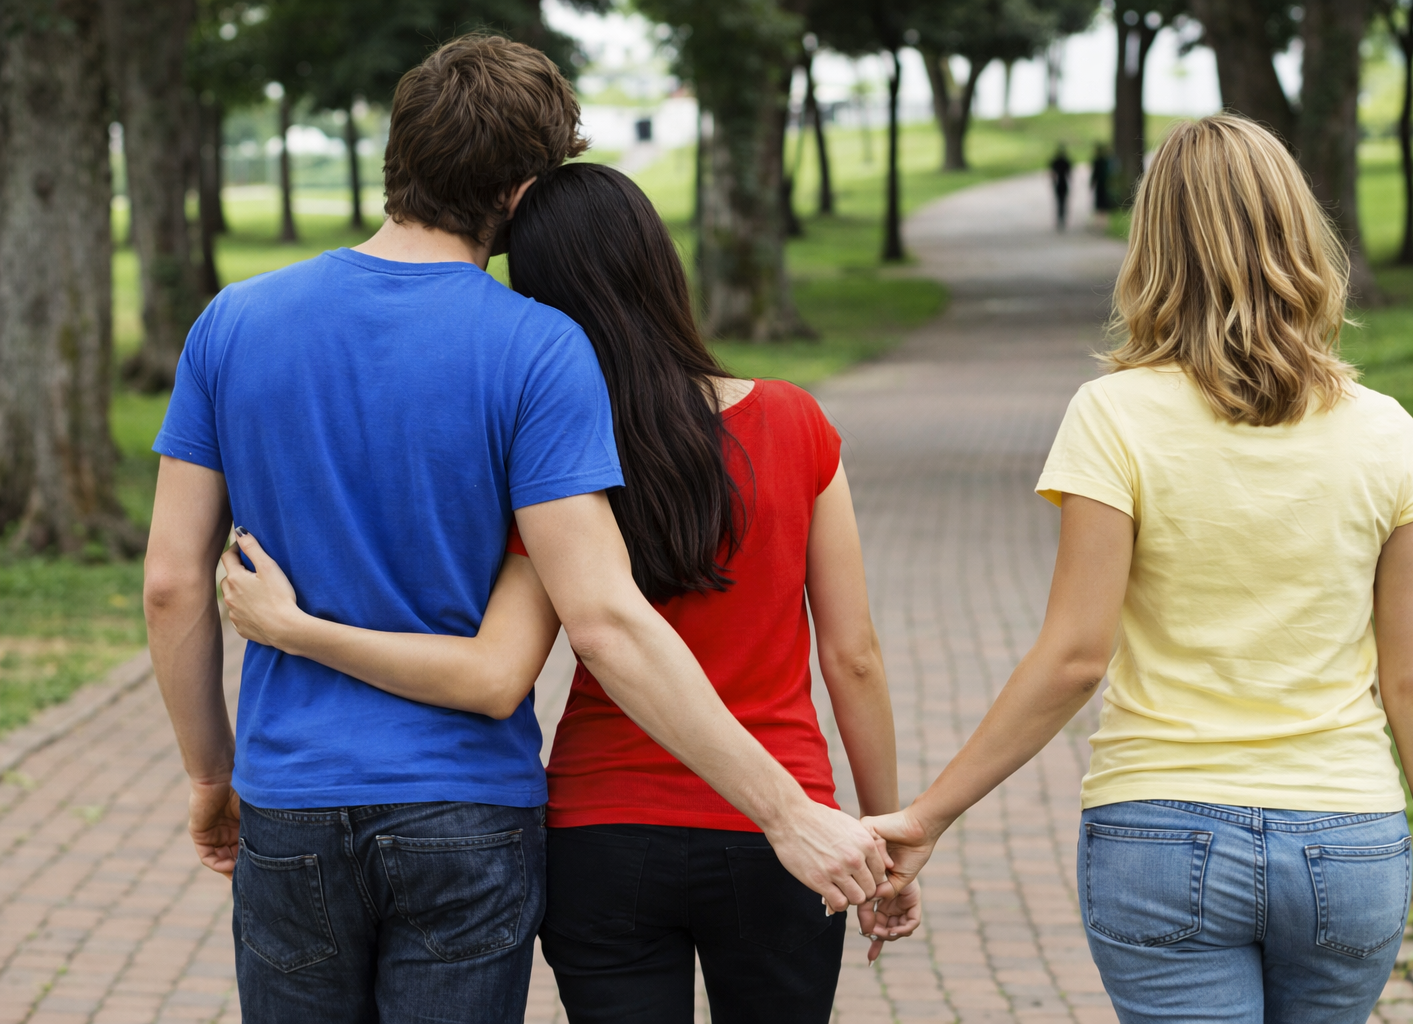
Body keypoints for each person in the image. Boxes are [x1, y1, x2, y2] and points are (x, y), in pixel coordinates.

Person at [142, 36, 889, 1024]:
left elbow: (173, 584)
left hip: (291, 790)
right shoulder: (540, 350)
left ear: (397, 151)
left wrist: (211, 771)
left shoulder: (232, 322)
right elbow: (605, 618)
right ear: (521, 190)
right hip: (468, 805)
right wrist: (787, 810)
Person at [864, 113, 1413, 1021]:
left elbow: (1075, 658)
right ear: (1300, 236)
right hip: (1347, 841)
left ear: (1153, 247)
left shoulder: (1114, 416)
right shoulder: (1387, 432)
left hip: (1162, 831)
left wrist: (927, 816)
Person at [1049, 144, 1073, 231]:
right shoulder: (1066, 162)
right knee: (1063, 202)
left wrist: (1053, 183)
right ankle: (1062, 218)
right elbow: (1069, 175)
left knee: (1059, 202)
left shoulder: (1055, 162)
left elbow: (1053, 174)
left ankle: (1060, 218)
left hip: (1059, 184)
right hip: (1064, 184)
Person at [1090, 143, 1115, 212]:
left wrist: (1092, 183)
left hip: (1101, 183)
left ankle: (1100, 213)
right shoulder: (1105, 161)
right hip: (1104, 183)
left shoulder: (1099, 161)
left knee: (1100, 199)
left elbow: (1095, 173)